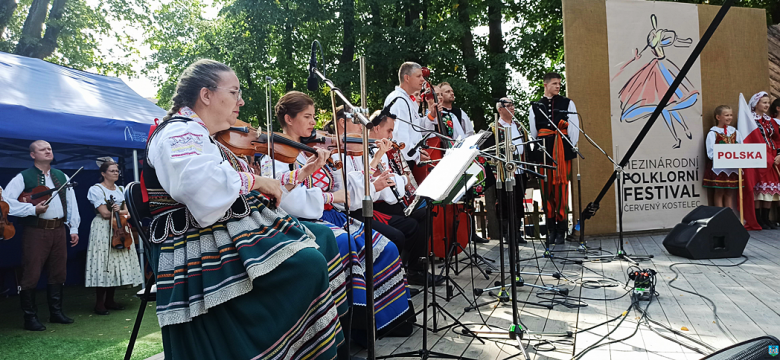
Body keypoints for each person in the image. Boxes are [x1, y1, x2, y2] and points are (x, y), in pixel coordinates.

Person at [143, 59, 344, 360]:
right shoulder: (176, 133)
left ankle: (302, 348)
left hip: (218, 227)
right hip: (192, 239)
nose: (242, 100)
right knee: (308, 262)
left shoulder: (202, 135)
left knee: (325, 238)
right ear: (206, 95)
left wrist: (296, 176)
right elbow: (199, 186)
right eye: (235, 92)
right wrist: (257, 179)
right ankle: (274, 349)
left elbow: (243, 188)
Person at [263, 91, 415, 338]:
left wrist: (370, 163)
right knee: (348, 245)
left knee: (387, 247)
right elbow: (289, 200)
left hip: (331, 215)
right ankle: (356, 328)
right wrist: (329, 197)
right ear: (289, 119)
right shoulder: (276, 156)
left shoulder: (316, 151)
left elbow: (344, 188)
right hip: (302, 221)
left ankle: (389, 319)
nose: (314, 122)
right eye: (307, 116)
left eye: (314, 116)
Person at [4, 140, 80, 331]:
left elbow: (71, 203)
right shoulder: (23, 177)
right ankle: (30, 317)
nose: (48, 151)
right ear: (33, 155)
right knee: (31, 273)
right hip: (35, 231)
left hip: (58, 230)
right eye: (42, 149)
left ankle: (56, 313)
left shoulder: (61, 175)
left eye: (49, 149)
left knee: (58, 272)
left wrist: (73, 229)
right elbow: (5, 202)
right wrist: (31, 209)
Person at [84, 161, 143, 315]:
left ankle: (110, 300)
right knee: (104, 263)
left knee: (116, 263)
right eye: (112, 171)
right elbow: (104, 213)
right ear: (103, 173)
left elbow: (128, 213)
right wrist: (116, 212)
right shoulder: (96, 190)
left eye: (117, 170)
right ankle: (99, 303)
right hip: (103, 229)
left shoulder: (121, 190)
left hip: (120, 228)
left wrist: (120, 213)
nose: (116, 173)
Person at [529, 72, 580, 245]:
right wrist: (537, 149)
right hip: (544, 150)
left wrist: (567, 147)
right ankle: (550, 229)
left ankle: (561, 229)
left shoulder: (567, 103)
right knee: (546, 190)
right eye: (555, 83)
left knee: (562, 190)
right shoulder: (535, 106)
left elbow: (573, 129)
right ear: (546, 85)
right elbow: (534, 133)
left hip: (562, 150)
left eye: (559, 83)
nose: (558, 86)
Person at [742, 92, 780, 230]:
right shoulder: (750, 120)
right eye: (764, 102)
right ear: (756, 103)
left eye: (768, 103)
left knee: (769, 190)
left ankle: (766, 218)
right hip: (758, 158)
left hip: (772, 157)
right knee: (759, 190)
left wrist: (778, 154)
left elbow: (777, 138)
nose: (767, 105)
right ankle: (757, 219)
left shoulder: (770, 121)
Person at [384, 62, 431, 168]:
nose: (423, 80)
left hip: (409, 158)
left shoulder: (406, 99)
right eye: (418, 76)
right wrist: (416, 155)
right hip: (405, 160)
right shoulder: (398, 100)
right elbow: (399, 135)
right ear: (407, 78)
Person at [703, 106, 743, 217]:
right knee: (719, 191)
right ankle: (719, 216)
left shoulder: (734, 132)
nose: (729, 117)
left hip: (732, 167)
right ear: (718, 117)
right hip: (719, 168)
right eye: (726, 115)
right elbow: (710, 152)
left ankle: (729, 216)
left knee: (729, 192)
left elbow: (741, 147)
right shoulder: (713, 133)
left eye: (731, 115)